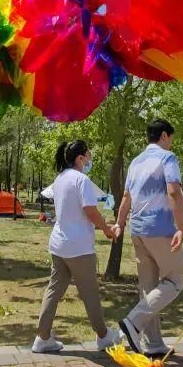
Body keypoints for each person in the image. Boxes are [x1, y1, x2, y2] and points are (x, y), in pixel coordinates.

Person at [33, 140, 120, 353]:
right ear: (80, 158)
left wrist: (103, 224)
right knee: (90, 293)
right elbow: (90, 211)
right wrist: (108, 229)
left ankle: (42, 338)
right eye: (88, 155)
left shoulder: (60, 179)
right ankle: (104, 336)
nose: (90, 159)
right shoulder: (82, 180)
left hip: (59, 245)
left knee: (53, 291)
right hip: (79, 247)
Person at [113, 119, 183, 357]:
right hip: (160, 229)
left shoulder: (136, 162)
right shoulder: (167, 158)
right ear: (164, 136)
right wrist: (180, 227)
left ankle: (152, 343)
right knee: (174, 281)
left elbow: (126, 197)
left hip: (137, 230)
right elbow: (174, 190)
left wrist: (119, 224)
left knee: (149, 288)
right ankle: (133, 322)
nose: (172, 143)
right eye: (171, 138)